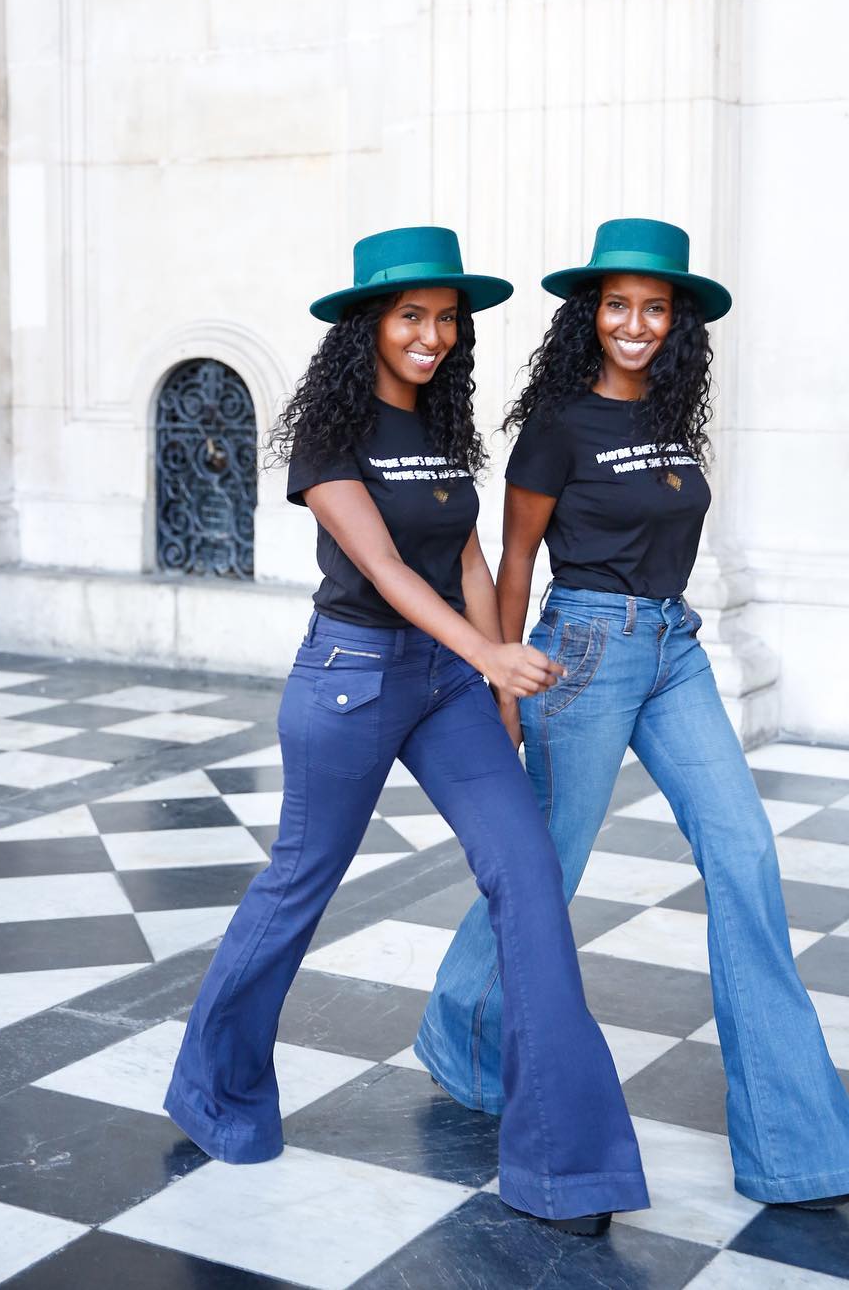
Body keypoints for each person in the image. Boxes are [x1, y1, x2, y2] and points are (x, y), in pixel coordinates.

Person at [164, 226, 650, 1235]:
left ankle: (568, 1164)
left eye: (446, 319)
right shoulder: (329, 434)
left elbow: (466, 559)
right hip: (349, 680)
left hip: (448, 685)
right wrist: (490, 657)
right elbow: (383, 567)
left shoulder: (438, 421)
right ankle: (213, 1090)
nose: (433, 335)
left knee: (529, 876)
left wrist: (496, 684)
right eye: (411, 316)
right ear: (369, 325)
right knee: (299, 885)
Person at [413, 218, 849, 1211]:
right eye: (618, 305)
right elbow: (515, 560)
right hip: (584, 650)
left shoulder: (671, 413)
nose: (635, 323)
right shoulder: (559, 425)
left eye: (654, 307)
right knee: (549, 864)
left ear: (677, 321)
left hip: (675, 647)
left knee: (744, 852)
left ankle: (795, 1145)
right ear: (591, 315)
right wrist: (503, 687)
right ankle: (462, 1031)